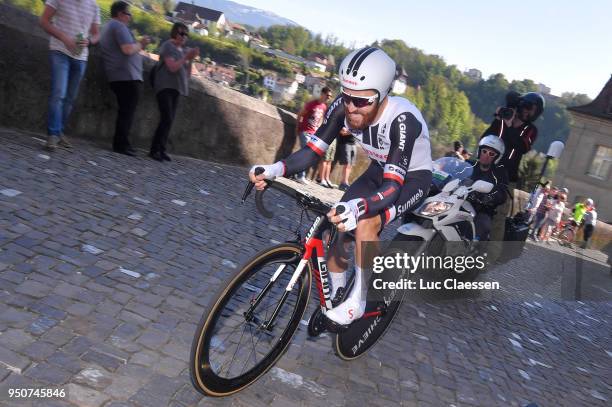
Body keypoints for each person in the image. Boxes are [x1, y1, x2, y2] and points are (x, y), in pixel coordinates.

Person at [249, 47, 432, 326]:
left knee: (366, 221)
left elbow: (393, 187)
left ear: (382, 95)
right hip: (377, 172)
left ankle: (357, 301)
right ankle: (335, 296)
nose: (351, 107)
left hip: (411, 181)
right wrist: (275, 169)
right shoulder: (345, 105)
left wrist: (360, 207)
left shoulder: (402, 119)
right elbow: (312, 151)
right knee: (337, 230)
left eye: (361, 101)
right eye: (346, 97)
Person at [483, 92, 545, 257]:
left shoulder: (531, 130)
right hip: (485, 170)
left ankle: (490, 257)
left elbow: (521, 146)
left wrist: (509, 126)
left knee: (498, 218)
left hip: (506, 178)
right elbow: (486, 138)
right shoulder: (505, 118)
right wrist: (499, 120)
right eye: (528, 108)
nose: (529, 113)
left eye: (533, 111)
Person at [39, 0, 101, 151]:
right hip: (59, 51)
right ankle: (52, 135)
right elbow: (44, 21)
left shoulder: (93, 5)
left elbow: (96, 33)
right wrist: (64, 37)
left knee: (70, 99)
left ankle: (59, 131)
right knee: (59, 93)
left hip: (81, 57)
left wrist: (89, 41)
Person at [100, 1, 150, 156]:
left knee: (125, 110)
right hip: (126, 76)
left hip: (118, 75)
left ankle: (122, 142)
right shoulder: (119, 26)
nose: (130, 16)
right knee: (127, 111)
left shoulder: (109, 25)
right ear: (121, 14)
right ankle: (121, 144)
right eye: (128, 13)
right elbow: (127, 49)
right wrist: (141, 44)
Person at [149, 23, 199, 162]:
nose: (184, 37)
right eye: (181, 33)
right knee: (166, 118)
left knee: (169, 120)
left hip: (176, 88)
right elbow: (171, 67)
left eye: (186, 34)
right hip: (164, 85)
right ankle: (154, 150)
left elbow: (187, 75)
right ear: (174, 33)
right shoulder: (168, 46)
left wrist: (191, 59)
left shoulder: (183, 50)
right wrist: (185, 58)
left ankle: (161, 149)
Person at [466, 136, 509, 241]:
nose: (486, 156)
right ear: (479, 151)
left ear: (496, 157)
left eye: (491, 154)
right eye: (484, 151)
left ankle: (469, 252)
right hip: (460, 202)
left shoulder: (499, 173)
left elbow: (502, 193)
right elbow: (457, 173)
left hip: (481, 209)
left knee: (482, 224)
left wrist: (489, 197)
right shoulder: (469, 164)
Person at [294, 87, 332, 183]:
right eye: (327, 95)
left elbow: (320, 119)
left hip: (313, 134)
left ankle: (294, 171)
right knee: (306, 154)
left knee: (307, 154)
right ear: (322, 94)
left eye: (330, 96)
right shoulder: (311, 104)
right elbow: (300, 114)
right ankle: (300, 176)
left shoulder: (324, 106)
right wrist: (297, 128)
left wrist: (317, 131)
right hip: (305, 131)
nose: (329, 98)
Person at [335, 126, 357, 191]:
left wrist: (352, 131)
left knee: (350, 165)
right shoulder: (345, 122)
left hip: (353, 144)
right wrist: (355, 131)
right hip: (345, 143)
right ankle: (344, 182)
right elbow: (343, 132)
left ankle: (345, 182)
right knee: (347, 164)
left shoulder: (356, 123)